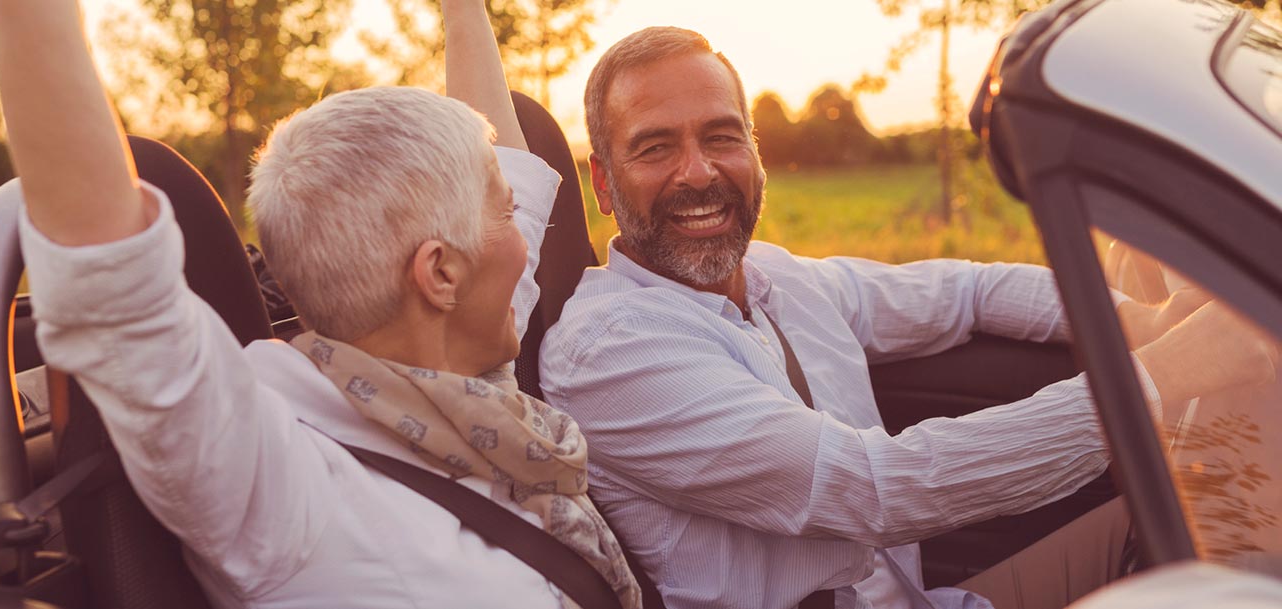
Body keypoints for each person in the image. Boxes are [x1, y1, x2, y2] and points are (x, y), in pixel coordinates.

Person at [539, 25, 1280, 609]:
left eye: (721, 136)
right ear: (603, 184)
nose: (698, 172)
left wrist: (1131, 319)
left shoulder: (781, 279)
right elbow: (876, 487)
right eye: (655, 147)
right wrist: (1162, 376)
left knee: (1208, 520)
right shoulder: (608, 351)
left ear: (755, 154)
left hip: (928, 600)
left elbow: (968, 292)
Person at [0, 0, 642, 607]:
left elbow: (508, 163)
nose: (527, 245)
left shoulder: (468, 379)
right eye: (507, 217)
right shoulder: (282, 487)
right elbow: (112, 282)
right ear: (439, 273)